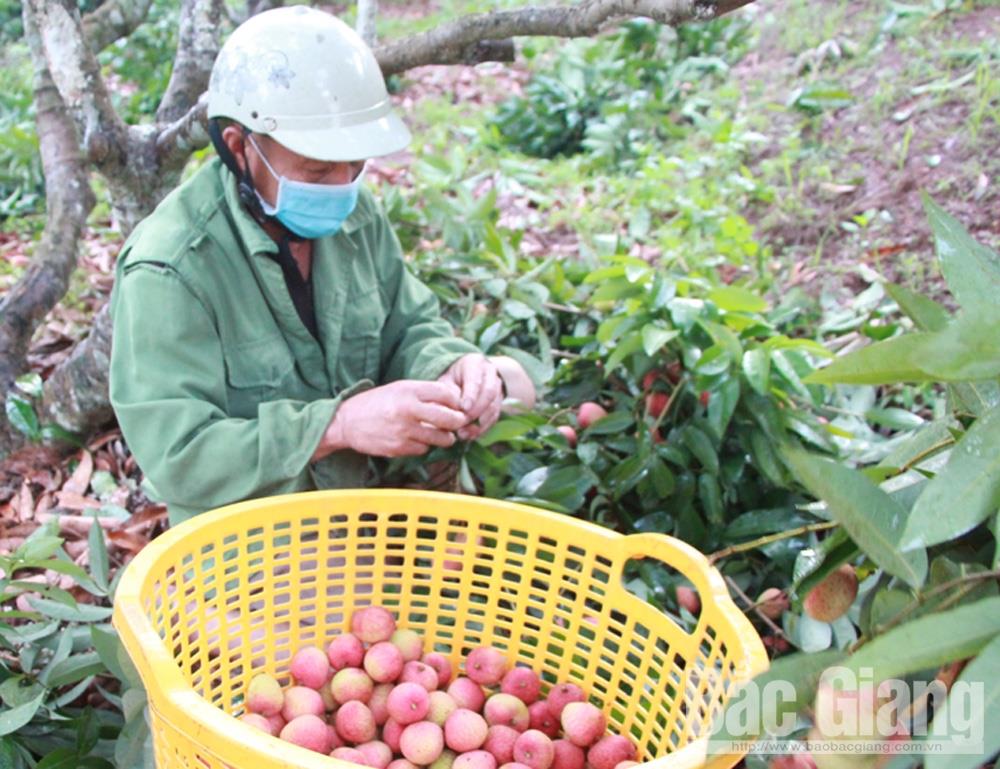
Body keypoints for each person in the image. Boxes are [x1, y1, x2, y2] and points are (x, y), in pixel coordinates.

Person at [109, 6, 535, 526]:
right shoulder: (171, 268)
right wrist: (337, 426)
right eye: (316, 168)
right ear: (240, 148)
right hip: (248, 546)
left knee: (514, 399)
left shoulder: (355, 216)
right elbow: (181, 455)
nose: (341, 187)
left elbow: (408, 325)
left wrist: (448, 366)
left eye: (355, 165)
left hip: (369, 507)